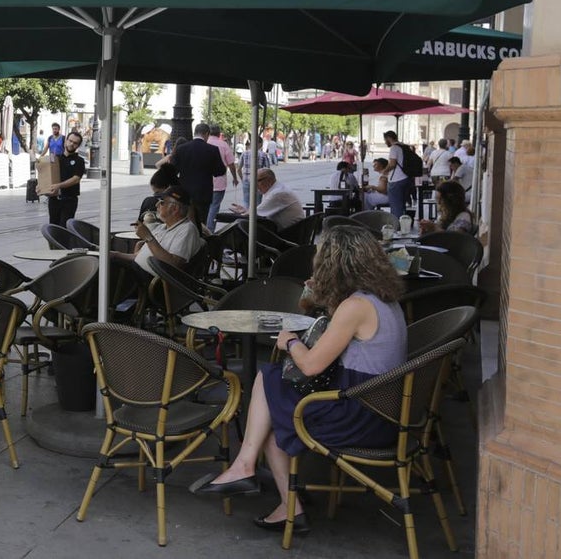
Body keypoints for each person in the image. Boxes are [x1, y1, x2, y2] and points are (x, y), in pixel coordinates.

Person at [191, 226, 407, 535]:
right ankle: (258, 476)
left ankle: (267, 485)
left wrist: (289, 342)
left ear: (335, 263)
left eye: (320, 258)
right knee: (273, 392)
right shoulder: (380, 299)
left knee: (271, 390)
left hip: (361, 415)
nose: (316, 262)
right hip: (383, 407)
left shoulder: (356, 307)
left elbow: (310, 366)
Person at [113, 186, 205, 276]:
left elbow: (173, 265)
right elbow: (137, 257)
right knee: (105, 261)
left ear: (174, 208)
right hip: (135, 270)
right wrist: (116, 254)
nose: (156, 205)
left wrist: (148, 237)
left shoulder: (187, 230)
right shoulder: (162, 227)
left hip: (147, 279)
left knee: (106, 271)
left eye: (161, 203)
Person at [161, 124, 226, 232]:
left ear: (195, 133)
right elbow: (220, 171)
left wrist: (179, 184)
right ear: (206, 134)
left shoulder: (181, 149)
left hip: (183, 195)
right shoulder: (212, 150)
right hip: (203, 194)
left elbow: (170, 171)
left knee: (183, 223)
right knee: (200, 224)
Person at [228, 168, 305, 232]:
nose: (255, 185)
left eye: (257, 181)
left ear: (269, 180)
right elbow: (258, 212)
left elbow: (255, 214)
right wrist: (245, 211)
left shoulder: (277, 193)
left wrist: (245, 212)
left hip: (289, 234)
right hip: (291, 230)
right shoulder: (276, 189)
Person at [43, 130, 86, 226]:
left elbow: (76, 179)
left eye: (75, 143)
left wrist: (59, 185)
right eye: (70, 141)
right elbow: (46, 175)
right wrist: (42, 187)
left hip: (69, 200)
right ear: (66, 140)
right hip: (54, 200)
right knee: (53, 227)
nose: (71, 144)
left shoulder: (79, 161)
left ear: (78, 146)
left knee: (65, 227)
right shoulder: (56, 158)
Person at [206, 124, 240, 232]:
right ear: (219, 133)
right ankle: (210, 230)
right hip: (219, 182)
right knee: (214, 207)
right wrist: (235, 178)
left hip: (204, 181)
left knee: (205, 207)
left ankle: (203, 229)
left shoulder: (205, 143)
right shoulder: (223, 144)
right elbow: (231, 164)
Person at [382, 130, 413, 219]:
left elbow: (392, 164)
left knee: (396, 206)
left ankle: (396, 226)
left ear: (388, 138)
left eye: (385, 140)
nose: (385, 142)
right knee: (402, 204)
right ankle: (403, 224)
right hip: (406, 178)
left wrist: (385, 170)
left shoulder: (394, 148)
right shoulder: (405, 146)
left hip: (396, 179)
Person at [239, 144, 272, 209]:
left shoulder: (244, 153)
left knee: (246, 201)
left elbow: (238, 168)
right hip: (259, 180)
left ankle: (246, 217)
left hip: (246, 180)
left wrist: (242, 179)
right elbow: (268, 169)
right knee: (258, 202)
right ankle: (256, 217)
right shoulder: (263, 154)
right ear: (260, 144)